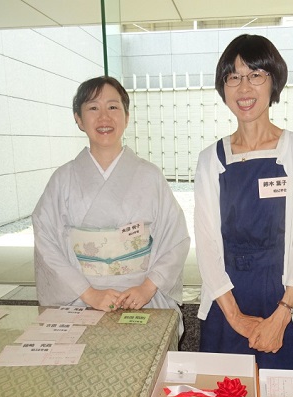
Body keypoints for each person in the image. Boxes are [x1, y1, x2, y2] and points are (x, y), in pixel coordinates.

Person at [194, 34, 293, 370]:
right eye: (233, 77)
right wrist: (236, 317)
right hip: (226, 300)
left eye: (255, 75)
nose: (244, 87)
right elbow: (206, 244)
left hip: (286, 303)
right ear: (223, 88)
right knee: (222, 396)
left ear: (273, 81)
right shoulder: (210, 159)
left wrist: (282, 314)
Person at [33, 76, 190, 332]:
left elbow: (176, 238)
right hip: (81, 298)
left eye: (113, 107)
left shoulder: (150, 176)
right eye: (93, 108)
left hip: (140, 298)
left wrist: (147, 288)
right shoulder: (63, 179)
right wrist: (89, 293)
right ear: (78, 119)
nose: (104, 117)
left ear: (126, 117)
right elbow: (45, 241)